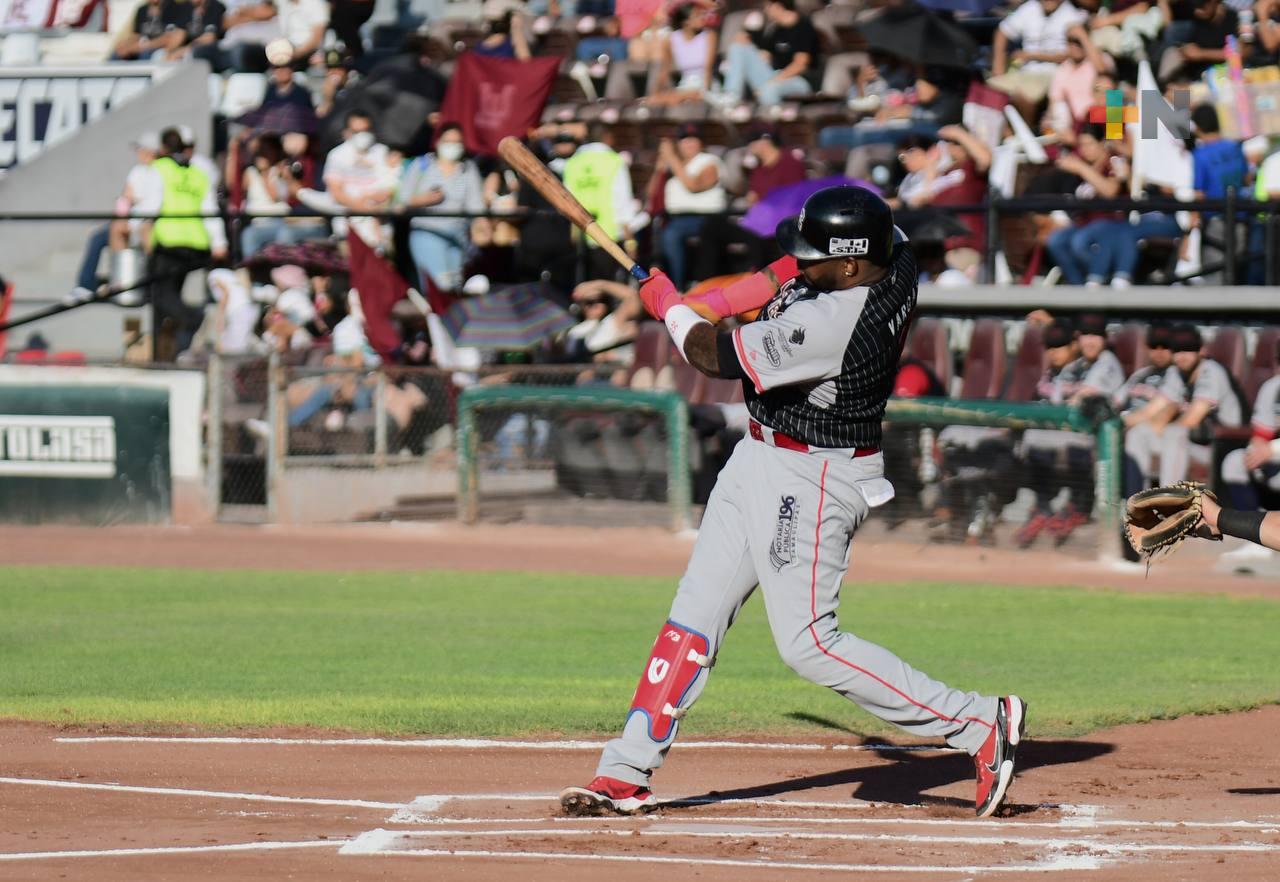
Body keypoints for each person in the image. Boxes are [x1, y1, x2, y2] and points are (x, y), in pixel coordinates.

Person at [559, 185, 1026, 820]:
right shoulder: (896, 250)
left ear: (853, 266)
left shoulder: (833, 322)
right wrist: (716, 300)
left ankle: (976, 722)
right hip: (760, 454)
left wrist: (671, 306)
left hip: (812, 477)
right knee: (693, 615)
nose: (802, 266)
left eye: (817, 259)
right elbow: (781, 272)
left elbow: (712, 354)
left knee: (808, 641)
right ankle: (626, 771)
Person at [1015, 314, 1126, 547]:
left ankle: (1079, 505)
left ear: (1105, 339)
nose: (1091, 341)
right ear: (1078, 339)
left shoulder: (1107, 363)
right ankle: (1043, 506)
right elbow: (1056, 405)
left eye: (1096, 335)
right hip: (1070, 431)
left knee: (1065, 442)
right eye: (1086, 335)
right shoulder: (1074, 367)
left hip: (1100, 437)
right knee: (1035, 437)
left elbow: (1079, 400)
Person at [136, 127, 228, 362]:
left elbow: (150, 207)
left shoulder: (160, 169)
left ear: (163, 149)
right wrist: (219, 241)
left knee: (157, 295)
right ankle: (163, 356)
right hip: (195, 243)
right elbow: (209, 209)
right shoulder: (198, 174)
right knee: (166, 300)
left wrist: (134, 226)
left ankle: (194, 318)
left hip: (168, 241)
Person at [1124, 324, 1245, 493]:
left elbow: (1191, 420)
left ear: (1201, 350)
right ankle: (1136, 505)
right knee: (1139, 433)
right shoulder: (1176, 372)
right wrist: (1119, 422)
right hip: (1192, 443)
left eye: (1188, 350)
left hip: (1224, 445)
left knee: (1174, 433)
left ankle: (1169, 506)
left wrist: (1161, 425)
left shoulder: (1211, 371)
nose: (1182, 356)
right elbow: (1153, 409)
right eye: (1178, 351)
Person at [689, 124, 803, 281]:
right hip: (756, 218)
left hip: (781, 221)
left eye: (752, 141)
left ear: (764, 142)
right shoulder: (757, 167)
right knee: (712, 225)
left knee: (755, 231)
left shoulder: (789, 162)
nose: (749, 146)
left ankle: (760, 280)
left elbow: (793, 197)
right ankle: (706, 280)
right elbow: (750, 194)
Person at [397, 123, 488, 293]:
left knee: (455, 285)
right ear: (438, 142)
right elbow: (402, 199)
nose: (452, 146)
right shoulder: (422, 165)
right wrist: (425, 199)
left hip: (459, 235)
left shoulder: (468, 168)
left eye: (457, 142)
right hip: (427, 231)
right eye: (448, 141)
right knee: (439, 286)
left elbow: (476, 204)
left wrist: (482, 226)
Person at [71, 132, 161, 302]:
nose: (137, 153)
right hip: (132, 221)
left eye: (140, 149)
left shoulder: (159, 172)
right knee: (99, 236)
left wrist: (131, 214)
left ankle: (129, 283)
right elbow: (126, 198)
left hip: (146, 223)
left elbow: (151, 206)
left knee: (124, 230)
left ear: (150, 151)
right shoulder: (137, 171)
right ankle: (87, 285)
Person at [562, 123, 642, 282]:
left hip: (580, 237)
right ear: (607, 137)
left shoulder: (572, 163)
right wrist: (631, 242)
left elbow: (566, 199)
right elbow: (622, 202)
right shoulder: (614, 161)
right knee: (608, 289)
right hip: (608, 237)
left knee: (585, 287)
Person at [654, 123, 726, 288]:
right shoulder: (674, 165)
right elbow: (651, 194)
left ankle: (677, 287)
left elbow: (694, 185)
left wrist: (671, 158)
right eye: (685, 140)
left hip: (705, 218)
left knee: (671, 234)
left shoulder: (709, 161)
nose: (689, 143)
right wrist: (659, 168)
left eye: (694, 139)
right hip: (672, 218)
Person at [990, 0, 1088, 118]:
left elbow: (1104, 75)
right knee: (991, 92)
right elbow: (1003, 31)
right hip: (1079, 125)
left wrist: (1030, 55)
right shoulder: (1030, 8)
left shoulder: (1104, 67)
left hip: (1081, 120)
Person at [1189, 104, 1247, 285]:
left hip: (1215, 222)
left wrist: (1190, 229)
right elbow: (1246, 177)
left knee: (1215, 278)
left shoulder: (1201, 154)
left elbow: (1199, 193)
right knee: (1236, 274)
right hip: (1241, 218)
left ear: (1197, 127)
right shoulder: (1234, 147)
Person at [720, 0, 817, 107]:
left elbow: (800, 65)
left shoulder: (804, 27)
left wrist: (773, 82)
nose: (765, 10)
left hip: (797, 80)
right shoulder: (776, 30)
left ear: (777, 6)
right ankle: (732, 96)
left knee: (768, 90)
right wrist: (747, 39)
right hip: (775, 75)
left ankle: (771, 121)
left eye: (768, 6)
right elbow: (765, 56)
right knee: (738, 47)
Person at [1220, 340, 1280, 512]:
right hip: (1274, 460)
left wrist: (1272, 449)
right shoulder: (1273, 387)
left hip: (1276, 451)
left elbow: (1271, 448)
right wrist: (1257, 449)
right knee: (1234, 461)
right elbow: (1261, 434)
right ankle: (1254, 526)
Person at [647, 1, 718, 105]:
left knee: (675, 99)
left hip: (705, 86)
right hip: (685, 87)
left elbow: (708, 69)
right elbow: (664, 70)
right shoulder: (671, 39)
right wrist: (655, 93)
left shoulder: (709, 36)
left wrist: (705, 93)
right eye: (697, 15)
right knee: (656, 100)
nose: (703, 18)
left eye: (702, 14)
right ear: (686, 23)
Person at [112, 0, 187, 60]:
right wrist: (125, 46)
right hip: (141, 46)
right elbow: (136, 34)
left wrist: (146, 46)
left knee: (145, 54)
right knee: (117, 53)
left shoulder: (173, 8)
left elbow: (172, 37)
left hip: (158, 48)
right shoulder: (142, 9)